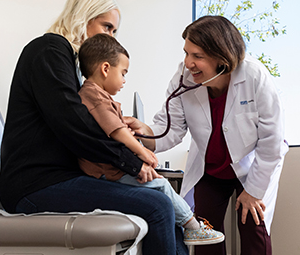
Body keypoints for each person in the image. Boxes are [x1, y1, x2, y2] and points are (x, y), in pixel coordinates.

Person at [0, 0, 189, 255]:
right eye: (107, 27)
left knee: (160, 198)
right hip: (34, 185)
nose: (110, 37)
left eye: (114, 31)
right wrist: (132, 162)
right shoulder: (50, 50)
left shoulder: (73, 69)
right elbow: (75, 126)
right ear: (83, 17)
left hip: (59, 179)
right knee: (158, 205)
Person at [125, 15, 289, 255]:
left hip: (252, 167)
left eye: (197, 56)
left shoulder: (254, 76)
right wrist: (141, 134)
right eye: (186, 53)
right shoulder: (183, 77)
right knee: (204, 234)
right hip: (210, 169)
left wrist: (253, 192)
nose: (188, 63)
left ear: (221, 59)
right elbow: (169, 130)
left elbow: (272, 140)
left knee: (254, 230)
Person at [77, 33, 225, 246]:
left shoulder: (97, 96)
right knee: (162, 186)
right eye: (123, 73)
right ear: (106, 69)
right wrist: (142, 152)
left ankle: (190, 227)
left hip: (111, 170)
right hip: (108, 174)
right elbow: (117, 131)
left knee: (162, 190)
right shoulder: (94, 96)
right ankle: (192, 226)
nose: (124, 80)